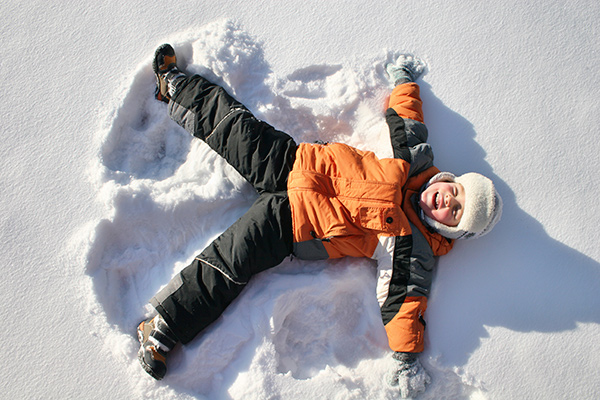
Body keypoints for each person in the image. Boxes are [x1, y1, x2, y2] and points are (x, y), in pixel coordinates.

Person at [136, 44, 502, 397]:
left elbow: (405, 302)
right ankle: (175, 85)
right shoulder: (414, 164)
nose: (447, 201)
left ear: (449, 227)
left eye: (454, 212)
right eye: (456, 192)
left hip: (292, 225)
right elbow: (409, 119)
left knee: (231, 262)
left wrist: (406, 359)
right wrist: (404, 81)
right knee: (234, 126)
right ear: (448, 180)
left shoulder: (411, 244)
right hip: (294, 163)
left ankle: (163, 328)